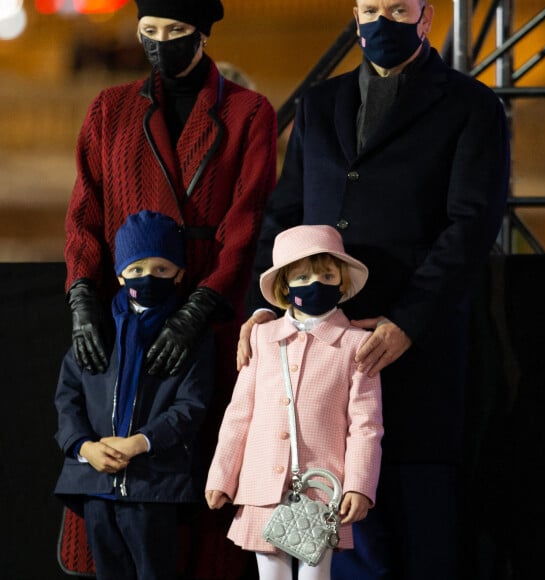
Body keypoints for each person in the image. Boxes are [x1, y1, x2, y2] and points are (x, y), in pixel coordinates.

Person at [238, 1, 511, 578]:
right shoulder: (318, 103)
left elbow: (471, 224)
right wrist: (267, 307)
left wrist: (408, 321)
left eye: (396, 8)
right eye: (369, 8)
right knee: (328, 524)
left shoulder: (471, 105)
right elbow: (283, 215)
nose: (380, 19)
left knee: (420, 517)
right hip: (318, 352)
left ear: (426, 17)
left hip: (415, 349)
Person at [63, 3, 276, 575]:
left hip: (210, 314)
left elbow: (247, 220)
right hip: (123, 315)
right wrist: (83, 297)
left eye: (176, 32)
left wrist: (202, 305)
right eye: (149, 33)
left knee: (204, 451)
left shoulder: (248, 111)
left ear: (203, 34)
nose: (160, 44)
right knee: (117, 458)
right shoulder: (109, 109)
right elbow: (84, 212)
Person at [206, 225, 383, 580]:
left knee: (317, 575)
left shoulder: (356, 343)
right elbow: (239, 413)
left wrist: (359, 485)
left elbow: (366, 425)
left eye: (327, 274)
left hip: (323, 487)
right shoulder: (263, 336)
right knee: (270, 574)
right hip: (261, 486)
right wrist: (222, 475)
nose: (315, 282)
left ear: (342, 282)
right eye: (302, 275)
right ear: (285, 286)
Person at [54, 210, 215, 580]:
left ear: (179, 273)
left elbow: (191, 406)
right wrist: (83, 446)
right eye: (138, 268)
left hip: (154, 488)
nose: (149, 277)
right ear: (120, 274)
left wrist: (142, 442)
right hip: (94, 482)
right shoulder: (96, 328)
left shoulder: (192, 337)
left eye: (162, 269)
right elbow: (68, 397)